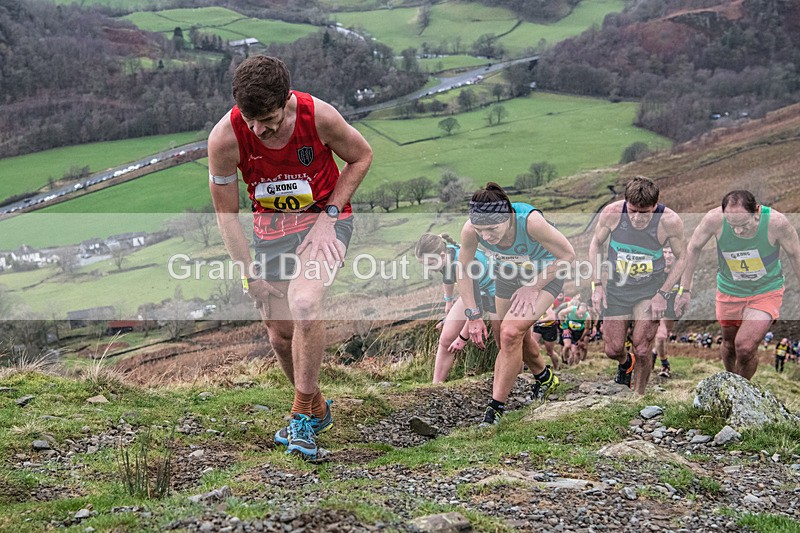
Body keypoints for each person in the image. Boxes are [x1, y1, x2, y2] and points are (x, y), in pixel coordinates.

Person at [208, 56, 373, 459]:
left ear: (287, 101)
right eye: (251, 120)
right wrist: (249, 275)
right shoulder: (225, 139)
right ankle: (317, 408)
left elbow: (362, 156)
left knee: (304, 303)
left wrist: (328, 217)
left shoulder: (319, 117)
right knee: (280, 333)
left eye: (269, 119)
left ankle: (300, 418)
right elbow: (226, 216)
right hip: (271, 233)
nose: (259, 129)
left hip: (325, 223)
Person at [458, 183, 575, 425]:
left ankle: (494, 410)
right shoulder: (471, 230)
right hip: (508, 276)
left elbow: (568, 256)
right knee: (507, 339)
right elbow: (463, 270)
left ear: (509, 216)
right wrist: (472, 315)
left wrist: (533, 287)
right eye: (482, 231)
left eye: (492, 229)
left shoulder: (531, 222)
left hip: (545, 275)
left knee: (511, 333)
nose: (487, 236)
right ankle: (544, 378)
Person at [678, 190, 800, 379]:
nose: (738, 231)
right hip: (729, 290)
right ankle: (731, 382)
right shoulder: (714, 219)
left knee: (745, 346)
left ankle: (742, 394)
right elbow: (693, 248)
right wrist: (685, 289)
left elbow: (795, 255)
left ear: (756, 211)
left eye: (744, 225)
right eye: (732, 225)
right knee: (729, 344)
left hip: (765, 290)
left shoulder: (777, 223)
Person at [590, 176, 687, 394]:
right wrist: (597, 285)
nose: (637, 218)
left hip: (649, 290)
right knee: (613, 349)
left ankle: (638, 395)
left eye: (644, 213)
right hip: (617, 287)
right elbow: (596, 244)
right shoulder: (612, 213)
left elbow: (682, 257)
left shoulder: (670, 221)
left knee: (642, 347)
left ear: (655, 205)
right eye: (632, 211)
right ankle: (626, 363)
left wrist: (663, 293)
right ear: (626, 203)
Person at [414, 233, 500, 383]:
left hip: (496, 292)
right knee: (446, 339)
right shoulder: (446, 256)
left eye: (429, 263)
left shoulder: (463, 264)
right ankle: (436, 385)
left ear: (442, 255)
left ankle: (516, 380)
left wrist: (462, 338)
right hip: (475, 292)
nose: (428, 267)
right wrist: (449, 302)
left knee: (504, 344)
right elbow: (447, 276)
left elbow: (475, 311)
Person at [651, 246, 681, 378]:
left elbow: (687, 286)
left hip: (671, 308)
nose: (668, 255)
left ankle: (653, 354)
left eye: (671, 252)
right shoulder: (654, 269)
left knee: (665, 336)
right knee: (661, 336)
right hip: (656, 307)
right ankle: (665, 365)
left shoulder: (680, 270)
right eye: (665, 252)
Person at [532, 305, 561, 370]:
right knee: (532, 346)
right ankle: (535, 366)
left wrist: (538, 321)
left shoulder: (546, 303)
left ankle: (556, 368)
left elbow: (552, 317)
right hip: (538, 327)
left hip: (549, 328)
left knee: (550, 352)